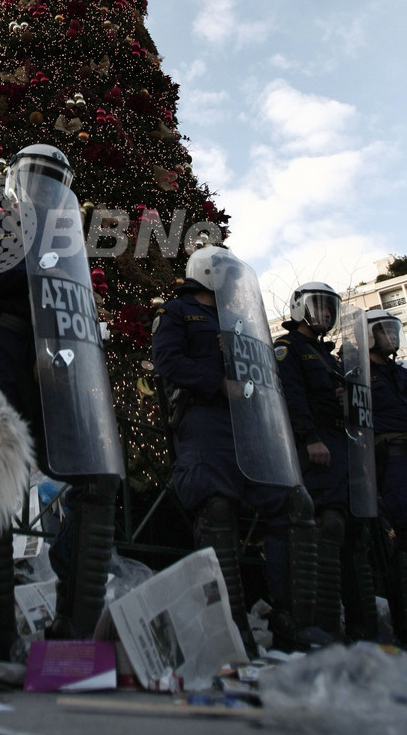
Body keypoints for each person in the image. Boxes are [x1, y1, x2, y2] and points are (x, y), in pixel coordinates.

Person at [0, 144, 121, 655]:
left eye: (53, 175)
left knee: (96, 476)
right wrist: (33, 264)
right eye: (36, 173)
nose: (43, 183)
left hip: (61, 356)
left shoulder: (67, 236)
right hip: (3, 346)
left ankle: (75, 631)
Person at [152, 246, 325, 655]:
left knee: (292, 505)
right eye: (224, 272)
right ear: (207, 271)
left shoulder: (240, 319)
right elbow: (167, 362)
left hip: (251, 425)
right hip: (205, 420)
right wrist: (218, 384)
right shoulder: (177, 312)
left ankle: (293, 623)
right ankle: (230, 631)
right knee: (216, 508)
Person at [274, 283, 378, 641]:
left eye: (330, 309)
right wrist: (310, 438)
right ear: (300, 308)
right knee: (326, 525)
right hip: (316, 444)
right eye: (318, 307)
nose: (326, 315)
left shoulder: (329, 358)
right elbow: (291, 395)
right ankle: (325, 624)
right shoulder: (288, 349)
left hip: (342, 446)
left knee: (354, 531)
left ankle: (364, 629)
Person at [367, 309, 407, 642]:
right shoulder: (359, 372)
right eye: (384, 332)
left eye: (393, 331)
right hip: (390, 456)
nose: (391, 338)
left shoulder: (399, 373)